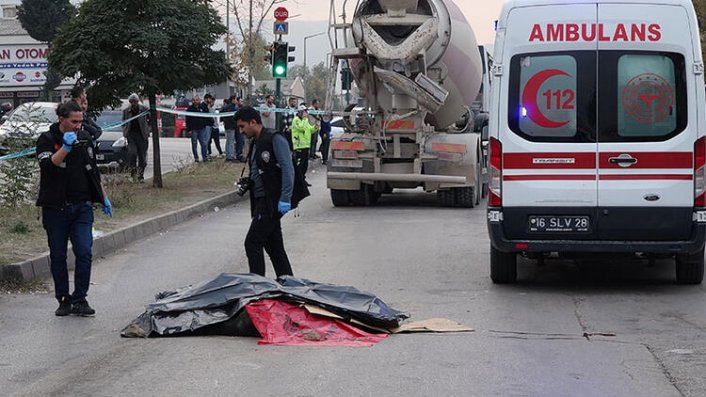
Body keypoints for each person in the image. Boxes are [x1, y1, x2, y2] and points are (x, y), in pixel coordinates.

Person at [35, 101, 113, 317]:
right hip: (55, 208)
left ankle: (80, 298)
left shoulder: (85, 138)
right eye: (74, 121)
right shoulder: (47, 139)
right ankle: (63, 299)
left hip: (82, 207)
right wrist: (66, 149)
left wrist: (104, 197)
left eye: (81, 121)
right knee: (58, 255)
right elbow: (48, 167)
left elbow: (93, 171)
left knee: (84, 251)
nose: (79, 125)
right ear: (62, 120)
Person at [235, 106, 294, 278]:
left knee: (252, 243)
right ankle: (289, 284)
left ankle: (257, 288)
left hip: (272, 201)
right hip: (261, 200)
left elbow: (287, 168)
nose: (241, 131)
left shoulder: (274, 138)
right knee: (274, 247)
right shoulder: (256, 141)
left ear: (253, 122)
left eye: (242, 126)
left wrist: (285, 197)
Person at [122, 93, 151, 181]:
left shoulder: (144, 110)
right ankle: (133, 174)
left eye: (135, 101)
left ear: (138, 101)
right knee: (132, 154)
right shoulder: (126, 111)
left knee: (142, 156)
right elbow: (123, 122)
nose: (133, 103)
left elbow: (150, 120)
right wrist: (125, 131)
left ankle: (140, 175)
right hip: (131, 135)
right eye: (131, 102)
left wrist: (147, 129)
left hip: (142, 135)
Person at [291, 105, 316, 185]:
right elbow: (301, 128)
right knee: (299, 165)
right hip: (299, 146)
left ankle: (302, 180)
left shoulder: (305, 121)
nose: (306, 113)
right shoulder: (296, 120)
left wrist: (316, 127)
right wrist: (305, 119)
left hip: (306, 146)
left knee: (305, 165)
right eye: (305, 112)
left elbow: (310, 130)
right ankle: (297, 181)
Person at [185, 95, 210, 162]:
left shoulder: (202, 107)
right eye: (194, 100)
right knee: (194, 144)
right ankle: (196, 158)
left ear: (199, 100)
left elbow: (207, 115)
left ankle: (205, 157)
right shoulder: (190, 109)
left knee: (204, 143)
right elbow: (187, 120)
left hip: (202, 128)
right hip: (194, 129)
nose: (195, 101)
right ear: (192, 101)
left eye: (197, 100)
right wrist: (189, 129)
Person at [204, 94, 223, 158]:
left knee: (217, 141)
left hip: (215, 127)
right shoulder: (207, 109)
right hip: (210, 127)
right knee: (209, 141)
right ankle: (209, 152)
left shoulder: (214, 109)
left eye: (213, 102)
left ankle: (220, 152)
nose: (213, 103)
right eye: (212, 102)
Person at [221, 96, 239, 162]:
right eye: (236, 99)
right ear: (232, 100)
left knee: (228, 141)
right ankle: (230, 157)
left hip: (228, 126)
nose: (237, 101)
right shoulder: (231, 107)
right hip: (231, 126)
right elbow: (231, 117)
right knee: (230, 142)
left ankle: (229, 155)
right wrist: (235, 123)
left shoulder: (226, 107)